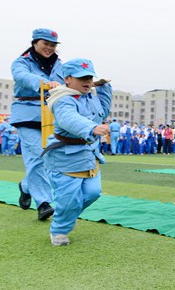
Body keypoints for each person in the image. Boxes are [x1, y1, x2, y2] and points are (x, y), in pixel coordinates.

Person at [42, 58, 112, 246]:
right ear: (68, 79)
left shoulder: (90, 96)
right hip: (65, 156)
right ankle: (59, 230)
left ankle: (65, 216)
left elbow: (103, 111)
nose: (87, 81)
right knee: (69, 198)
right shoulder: (62, 99)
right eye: (82, 78)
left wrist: (104, 88)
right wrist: (92, 128)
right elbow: (68, 118)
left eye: (89, 77)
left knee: (93, 192)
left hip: (88, 155)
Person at [11, 28, 63, 221]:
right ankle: (43, 203)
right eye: (46, 44)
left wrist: (88, 81)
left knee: (49, 158)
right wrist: (45, 83)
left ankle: (26, 186)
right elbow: (22, 77)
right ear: (35, 42)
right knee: (36, 157)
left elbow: (70, 80)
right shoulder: (21, 62)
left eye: (53, 45)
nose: (49, 48)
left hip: (51, 115)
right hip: (27, 113)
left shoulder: (60, 64)